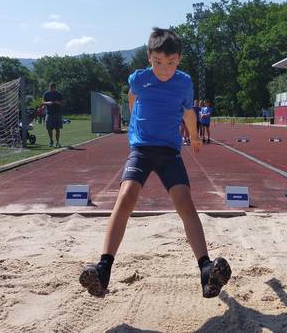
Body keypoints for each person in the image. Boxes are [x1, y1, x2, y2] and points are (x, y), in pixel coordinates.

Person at [79, 28, 231, 298]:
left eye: (171, 63)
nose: (165, 69)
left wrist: (195, 138)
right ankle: (103, 268)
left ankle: (206, 269)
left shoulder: (184, 83)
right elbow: (131, 96)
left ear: (179, 60)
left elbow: (188, 113)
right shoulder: (139, 79)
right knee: (126, 197)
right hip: (141, 148)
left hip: (169, 151)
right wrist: (132, 121)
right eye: (159, 62)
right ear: (149, 57)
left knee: (185, 201)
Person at [42, 82, 64, 147]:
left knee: (57, 128)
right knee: (49, 128)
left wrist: (58, 102)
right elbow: (43, 102)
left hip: (57, 113)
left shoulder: (59, 94)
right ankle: (51, 141)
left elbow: (63, 103)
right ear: (50, 87)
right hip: (49, 113)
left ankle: (57, 142)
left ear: (55, 87)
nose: (52, 89)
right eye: (51, 88)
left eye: (54, 88)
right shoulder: (46, 94)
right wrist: (48, 103)